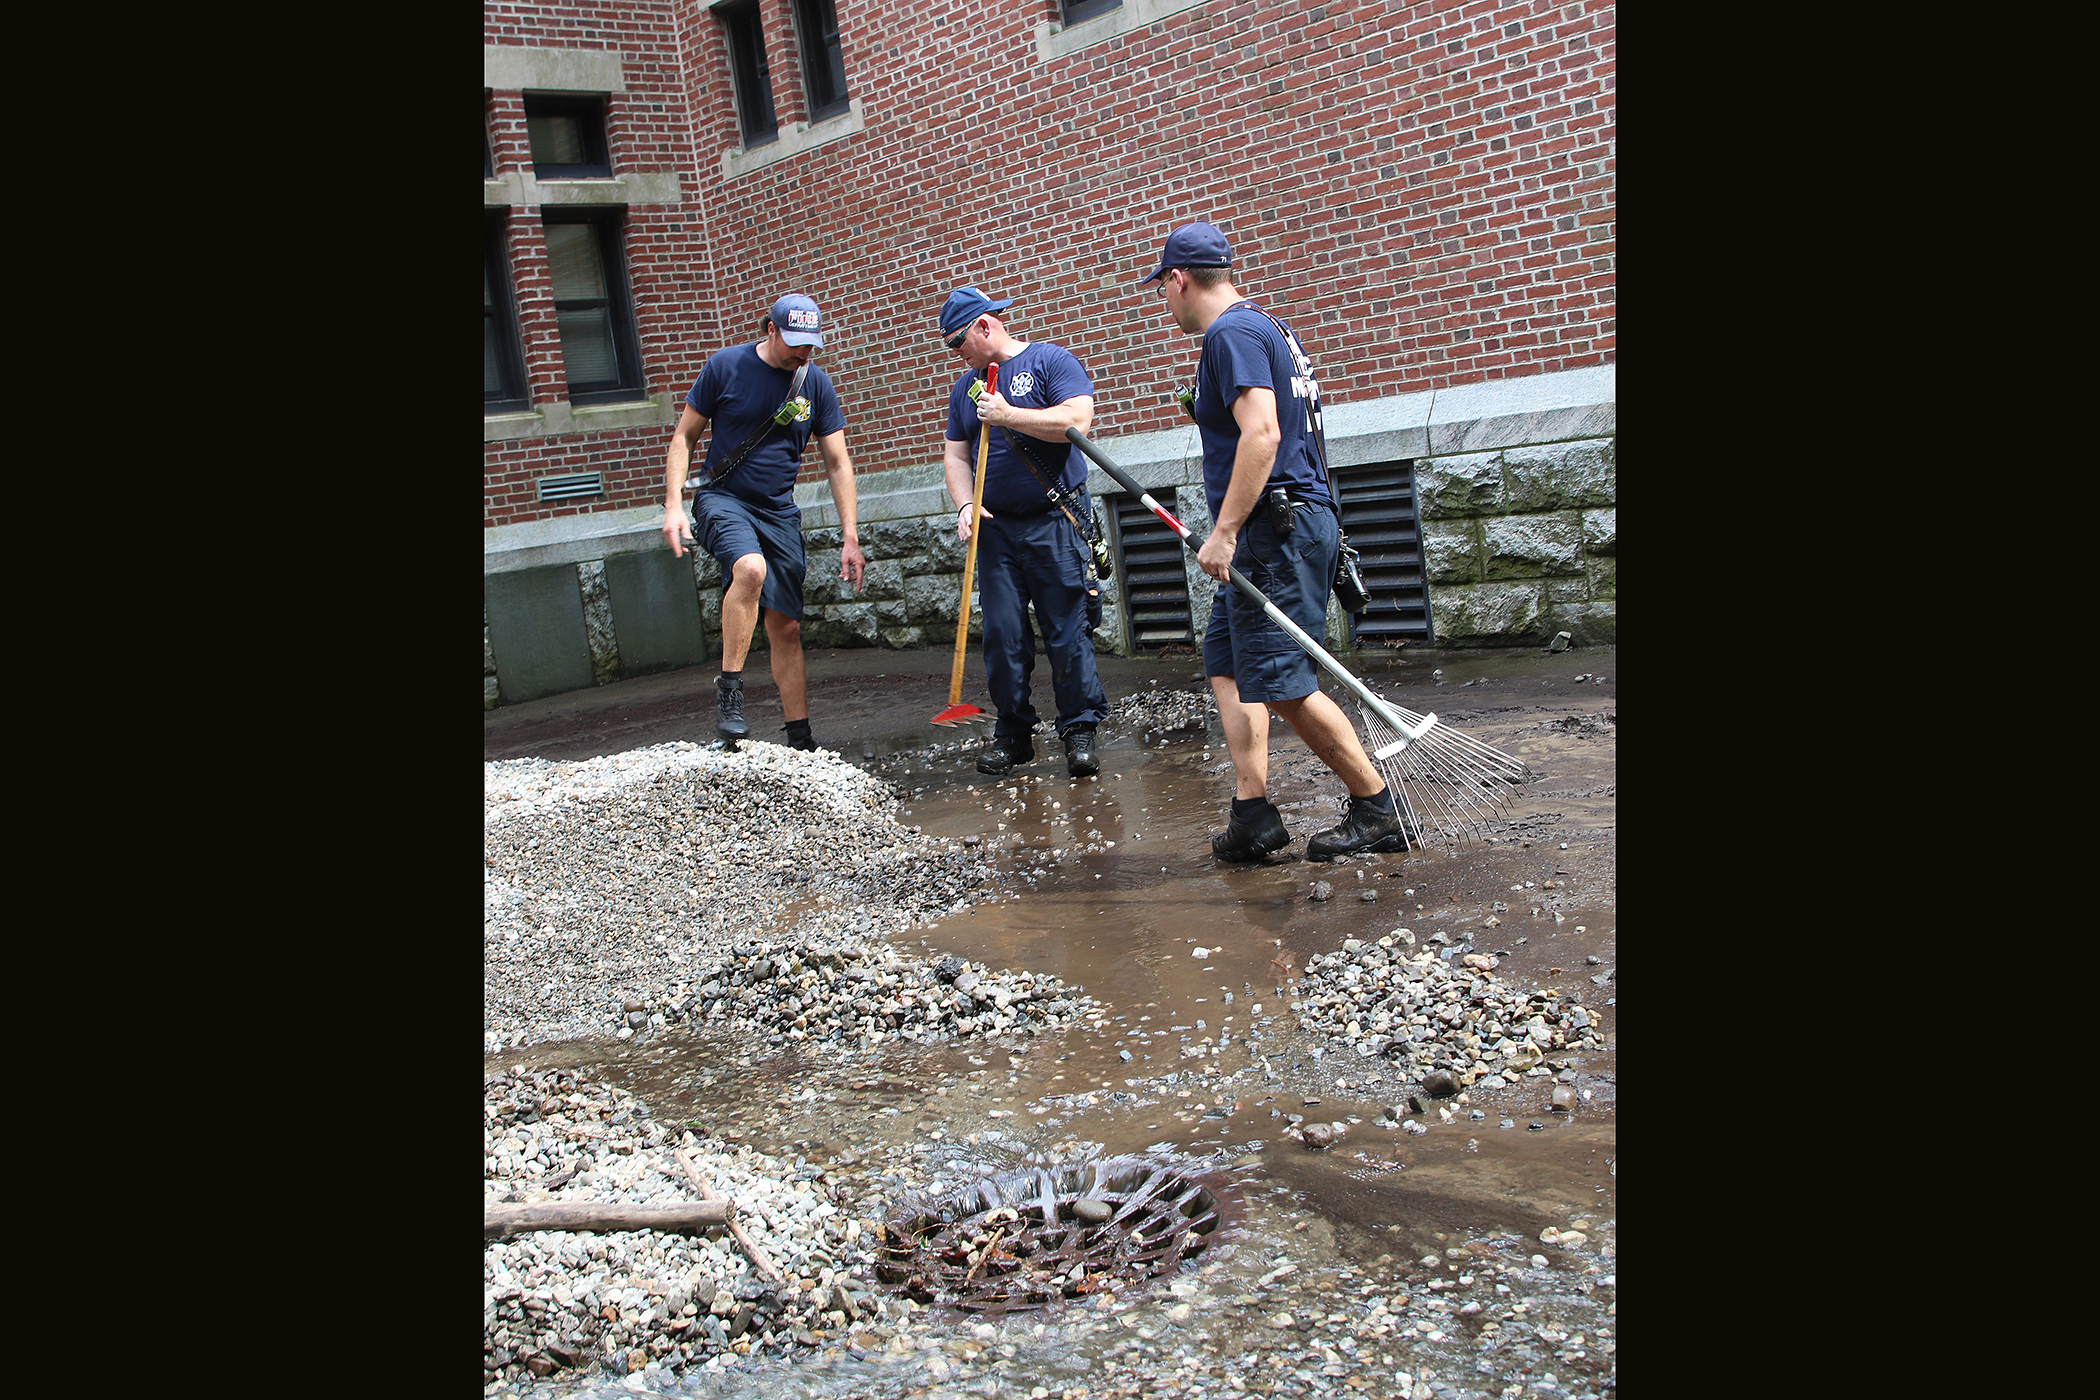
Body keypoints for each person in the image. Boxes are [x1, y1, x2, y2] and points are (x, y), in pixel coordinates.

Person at [1139, 222, 1410, 861]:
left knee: (1284, 681)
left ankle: (1377, 808)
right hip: (1286, 522)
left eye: (1163, 289)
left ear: (1179, 279)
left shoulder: (1229, 335)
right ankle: (1252, 813)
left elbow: (1261, 435)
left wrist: (1226, 531)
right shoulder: (1265, 329)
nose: (1164, 303)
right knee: (1229, 664)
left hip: (1272, 531)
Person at [662, 293, 866, 750]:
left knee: (786, 626)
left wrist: (850, 535)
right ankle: (730, 697)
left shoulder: (814, 383)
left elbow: (837, 462)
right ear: (769, 331)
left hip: (779, 512)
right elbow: (685, 436)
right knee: (750, 569)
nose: (803, 352)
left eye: (810, 344)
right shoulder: (725, 367)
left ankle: (801, 739)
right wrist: (674, 503)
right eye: (794, 342)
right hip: (723, 499)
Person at [936, 285, 1109, 779]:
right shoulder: (965, 390)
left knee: (1067, 630)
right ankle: (1013, 734)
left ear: (985, 327)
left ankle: (1079, 730)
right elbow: (954, 453)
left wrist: (1008, 415)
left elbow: (1077, 419)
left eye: (958, 342)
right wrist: (966, 502)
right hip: (996, 532)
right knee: (1003, 636)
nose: (957, 353)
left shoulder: (1052, 362)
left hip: (1056, 520)